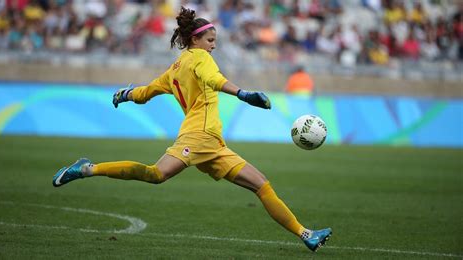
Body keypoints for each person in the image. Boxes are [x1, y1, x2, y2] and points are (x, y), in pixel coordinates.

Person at [52, 7, 331, 252]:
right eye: (210, 40)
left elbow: (147, 91)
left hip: (213, 145)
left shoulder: (175, 67)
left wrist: (126, 94)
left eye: (214, 41)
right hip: (199, 137)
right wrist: (244, 94)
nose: (213, 46)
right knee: (156, 174)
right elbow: (214, 79)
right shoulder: (200, 58)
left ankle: (305, 234)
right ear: (194, 39)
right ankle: (88, 168)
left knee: (261, 184)